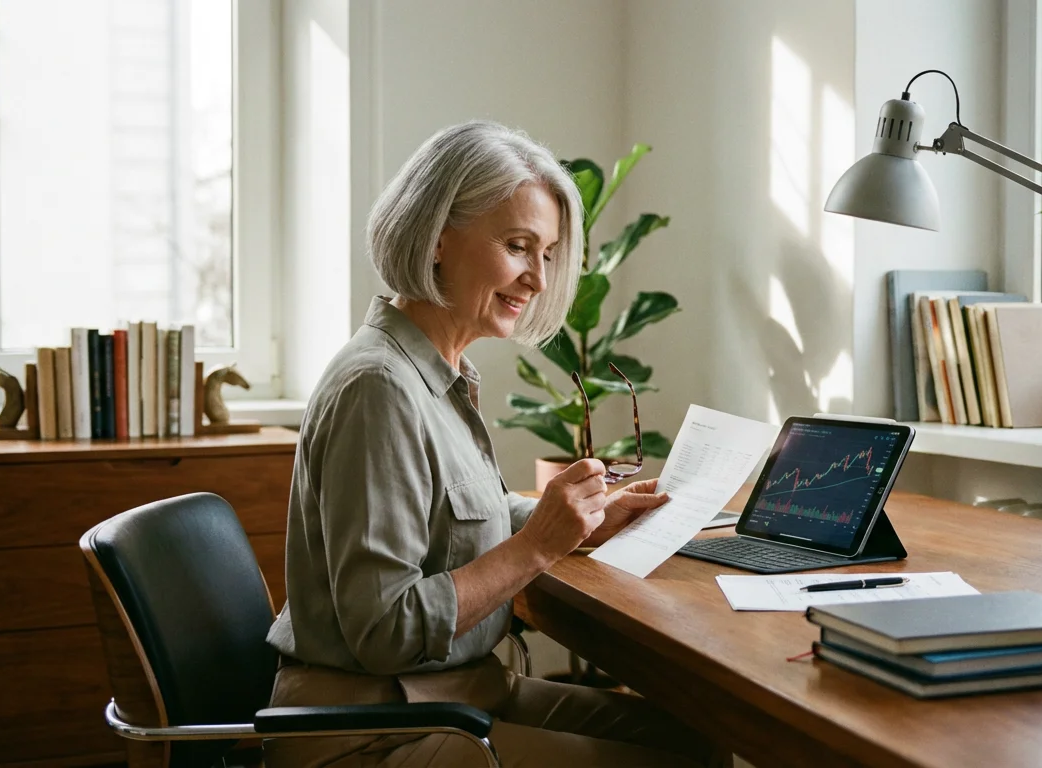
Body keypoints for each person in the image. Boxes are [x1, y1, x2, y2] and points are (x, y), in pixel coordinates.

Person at [264, 121, 725, 767]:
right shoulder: (380, 387)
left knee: (687, 740)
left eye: (549, 253)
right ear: (436, 240)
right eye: (517, 246)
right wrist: (538, 545)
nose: (537, 277)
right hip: (373, 726)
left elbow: (452, 516)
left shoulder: (437, 372)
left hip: (453, 692)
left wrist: (581, 523)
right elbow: (384, 631)